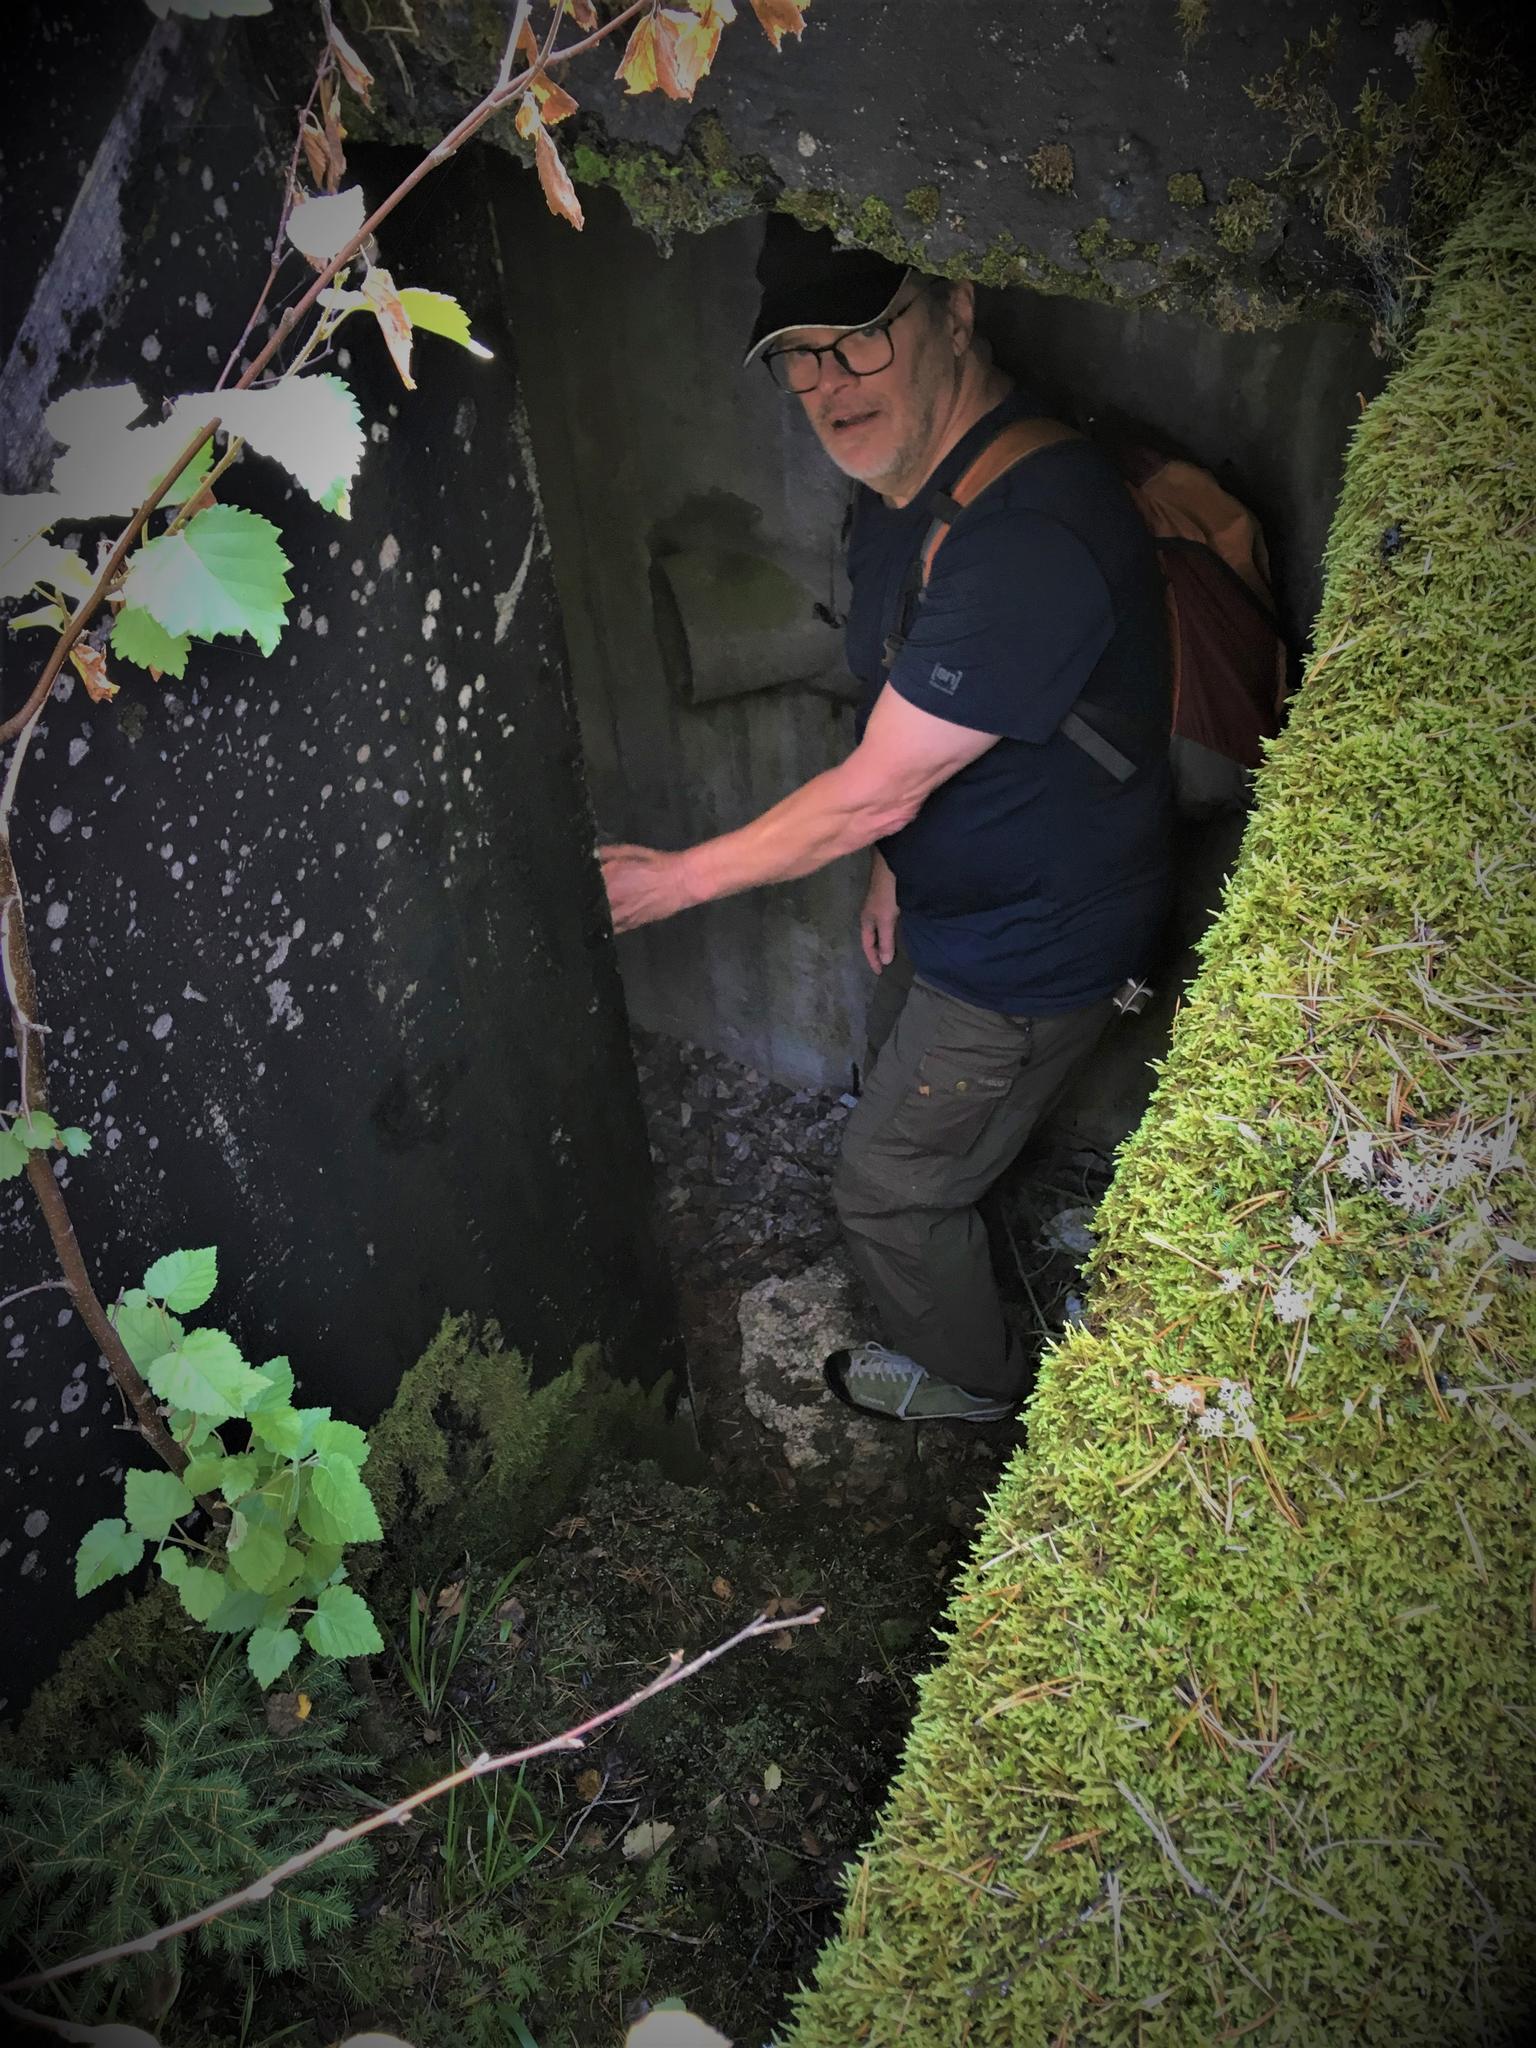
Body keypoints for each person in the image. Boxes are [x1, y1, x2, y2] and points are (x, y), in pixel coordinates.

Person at [600, 218, 1171, 1425]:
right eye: (797, 355)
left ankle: (981, 1389)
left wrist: (672, 880)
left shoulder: (1028, 532)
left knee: (887, 1187)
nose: (827, 383)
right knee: (901, 1077)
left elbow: (878, 782)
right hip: (964, 897)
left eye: (860, 337)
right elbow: (909, 718)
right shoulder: (907, 489)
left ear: (955, 308)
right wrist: (892, 869)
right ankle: (979, 1215)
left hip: (1033, 945)